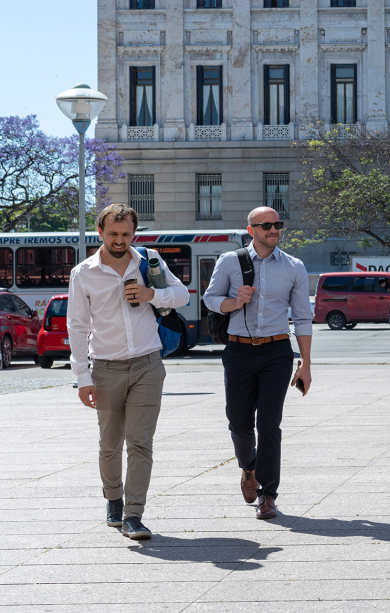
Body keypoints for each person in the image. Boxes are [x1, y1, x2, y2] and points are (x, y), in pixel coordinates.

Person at [68, 204, 189, 540]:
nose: (120, 240)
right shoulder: (84, 273)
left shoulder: (148, 260)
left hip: (148, 364)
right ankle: (114, 499)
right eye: (113, 234)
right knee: (110, 444)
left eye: (126, 234)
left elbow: (181, 295)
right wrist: (83, 378)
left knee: (140, 443)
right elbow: (77, 327)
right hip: (105, 368)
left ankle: (134, 515)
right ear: (101, 233)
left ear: (134, 233)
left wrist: (153, 294)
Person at [203, 207, 313, 519]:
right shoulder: (230, 261)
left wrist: (305, 363)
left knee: (268, 424)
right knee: (238, 422)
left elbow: (303, 318)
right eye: (266, 226)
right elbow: (210, 299)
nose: (274, 230)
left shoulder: (294, 266)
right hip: (237, 351)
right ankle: (248, 467)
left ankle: (268, 494)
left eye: (278, 224)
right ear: (251, 230)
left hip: (276, 352)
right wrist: (234, 302)